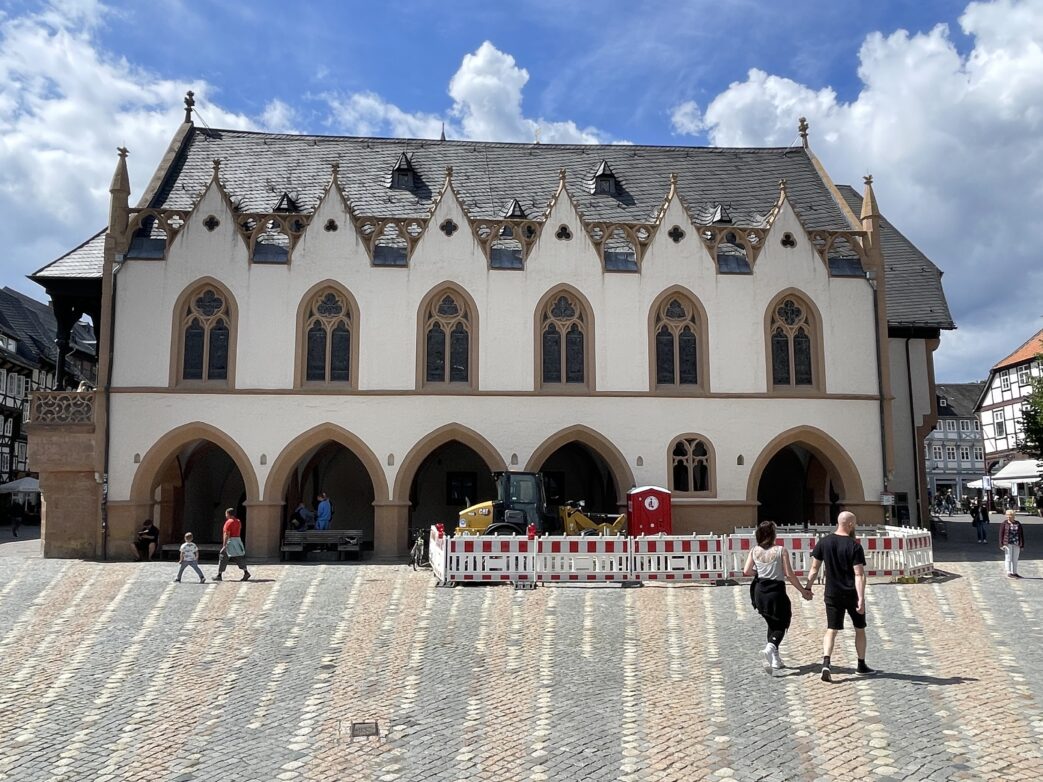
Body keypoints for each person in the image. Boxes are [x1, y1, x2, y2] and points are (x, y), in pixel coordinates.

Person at [805, 511, 876, 681]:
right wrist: (861, 598)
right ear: (850, 524)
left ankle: (826, 663)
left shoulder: (824, 542)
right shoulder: (854, 546)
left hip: (832, 593)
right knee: (859, 629)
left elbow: (814, 569)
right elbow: (859, 574)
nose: (856, 526)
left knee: (832, 629)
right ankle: (861, 665)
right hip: (851, 593)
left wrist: (807, 588)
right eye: (855, 523)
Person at [743, 520, 812, 672]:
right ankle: (770, 648)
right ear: (773, 534)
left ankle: (775, 659)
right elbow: (789, 574)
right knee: (782, 622)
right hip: (776, 591)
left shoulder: (754, 550)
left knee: (772, 623)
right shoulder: (781, 550)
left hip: (760, 591)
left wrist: (760, 573)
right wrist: (802, 590)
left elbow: (746, 570)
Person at [214, 508, 250, 582]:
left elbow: (227, 534)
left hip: (230, 541)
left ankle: (219, 574)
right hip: (237, 540)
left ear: (228, 514)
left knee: (223, 556)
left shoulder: (228, 522)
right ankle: (246, 572)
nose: (225, 515)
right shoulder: (238, 521)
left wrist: (224, 546)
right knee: (239, 556)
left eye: (226, 514)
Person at [999, 509, 1026, 579]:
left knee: (1015, 559)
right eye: (1007, 516)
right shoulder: (1004, 524)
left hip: (1016, 543)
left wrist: (1022, 545)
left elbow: (1021, 534)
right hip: (1008, 543)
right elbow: (1001, 535)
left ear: (1013, 516)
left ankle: (1015, 572)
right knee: (1008, 558)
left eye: (1010, 516)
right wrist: (1001, 544)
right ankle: (1009, 572)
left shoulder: (1018, 523)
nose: (1008, 517)